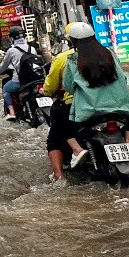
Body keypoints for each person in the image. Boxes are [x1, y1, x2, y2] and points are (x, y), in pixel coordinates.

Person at [64, 25, 129, 169]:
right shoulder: (109, 54)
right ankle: (128, 142)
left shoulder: (73, 60)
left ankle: (77, 150)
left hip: (91, 112)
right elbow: (123, 78)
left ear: (73, 42)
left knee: (63, 121)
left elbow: (69, 87)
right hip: (122, 109)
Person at [42, 22, 80, 181]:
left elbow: (52, 88)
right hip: (113, 106)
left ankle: (59, 175)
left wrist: (50, 92)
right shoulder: (107, 54)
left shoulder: (66, 58)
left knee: (55, 135)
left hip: (78, 107)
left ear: (70, 40)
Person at [0, 26, 38, 121]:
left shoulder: (11, 51)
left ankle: (12, 113)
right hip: (35, 79)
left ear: (12, 38)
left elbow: (3, 66)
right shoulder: (32, 48)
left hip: (19, 81)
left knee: (6, 89)